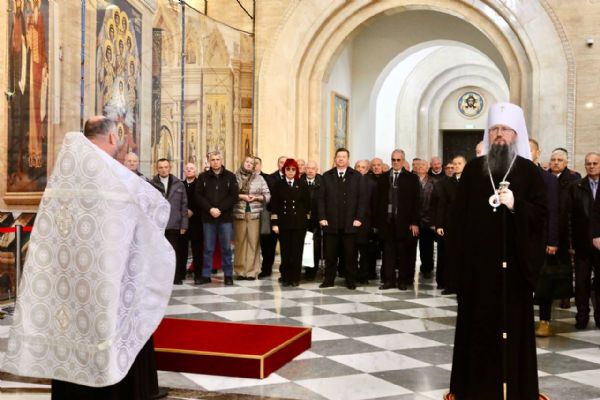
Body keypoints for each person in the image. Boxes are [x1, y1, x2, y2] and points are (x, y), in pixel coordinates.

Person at [1, 116, 174, 399]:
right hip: (105, 276)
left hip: (67, 279)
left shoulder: (66, 171)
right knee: (107, 326)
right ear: (112, 138)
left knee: (71, 330)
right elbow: (152, 204)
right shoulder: (112, 175)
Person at [446, 102, 547, 400]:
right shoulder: (473, 170)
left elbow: (542, 217)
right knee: (477, 330)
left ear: (516, 134)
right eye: (494, 129)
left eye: (505, 129)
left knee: (513, 330)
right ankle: (475, 389)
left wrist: (517, 206)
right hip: (478, 272)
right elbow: (458, 221)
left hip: (514, 271)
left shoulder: (529, 172)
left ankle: (516, 389)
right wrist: (458, 269)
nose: (499, 134)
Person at [318, 148, 366, 289]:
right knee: (330, 255)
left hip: (350, 223)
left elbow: (362, 199)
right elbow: (320, 199)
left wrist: (359, 218)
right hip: (330, 222)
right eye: (338, 156)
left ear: (348, 159)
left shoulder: (356, 176)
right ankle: (329, 280)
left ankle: (350, 280)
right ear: (335, 159)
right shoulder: (327, 176)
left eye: (344, 156)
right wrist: (322, 217)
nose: (341, 159)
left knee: (350, 255)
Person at [375, 149, 420, 290]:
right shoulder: (383, 178)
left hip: (404, 222)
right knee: (388, 253)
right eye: (393, 160)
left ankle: (402, 281)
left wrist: (414, 222)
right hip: (387, 221)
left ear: (403, 161)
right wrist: (378, 222)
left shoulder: (411, 178)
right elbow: (377, 201)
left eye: (398, 160)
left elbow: (416, 202)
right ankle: (389, 280)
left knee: (403, 252)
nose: (395, 162)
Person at [529, 139, 560, 337]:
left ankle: (544, 320)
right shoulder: (510, 175)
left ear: (537, 153)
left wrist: (552, 240)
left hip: (540, 238)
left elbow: (553, 211)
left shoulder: (548, 179)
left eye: (530, 149)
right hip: (518, 238)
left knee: (544, 281)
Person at [195, 150, 239, 285]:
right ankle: (205, 275)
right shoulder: (203, 177)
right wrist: (210, 209)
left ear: (222, 160)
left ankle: (228, 275)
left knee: (226, 248)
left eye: (217, 159)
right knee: (208, 248)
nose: (215, 162)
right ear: (209, 161)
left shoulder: (230, 176)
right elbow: (198, 196)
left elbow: (234, 196)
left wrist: (220, 209)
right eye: (213, 160)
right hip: (208, 218)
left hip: (225, 218)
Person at [568, 152, 600, 329]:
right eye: (588, 163)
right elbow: (569, 217)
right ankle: (582, 316)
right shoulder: (576, 187)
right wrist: (571, 243)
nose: (591, 166)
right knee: (581, 282)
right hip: (581, 244)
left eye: (595, 163)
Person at [549, 147, 581, 309]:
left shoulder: (574, 178)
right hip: (548, 226)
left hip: (566, 226)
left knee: (565, 263)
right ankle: (547, 293)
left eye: (560, 160)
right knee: (548, 263)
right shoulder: (544, 176)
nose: (556, 163)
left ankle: (565, 295)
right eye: (553, 160)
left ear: (566, 162)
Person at [270, 159, 310, 286]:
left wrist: (306, 222)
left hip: (299, 224)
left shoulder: (302, 184)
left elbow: (307, 205)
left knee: (297, 252)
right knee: (285, 252)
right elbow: (274, 205)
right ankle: (286, 277)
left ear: (296, 171)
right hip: (284, 223)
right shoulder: (278, 184)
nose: (291, 172)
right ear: (284, 170)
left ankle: (295, 278)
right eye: (288, 169)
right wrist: (275, 223)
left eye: (293, 169)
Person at [151, 159, 188, 285]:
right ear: (157, 169)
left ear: (170, 168)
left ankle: (175, 277)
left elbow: (184, 205)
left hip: (174, 223)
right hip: (158, 225)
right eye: (160, 167)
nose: (163, 169)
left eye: (166, 167)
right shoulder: (152, 184)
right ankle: (160, 277)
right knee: (159, 252)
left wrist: (184, 224)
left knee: (174, 251)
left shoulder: (179, 184)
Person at [233, 156, 270, 280]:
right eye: (247, 162)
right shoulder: (235, 177)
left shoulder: (259, 178)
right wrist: (241, 197)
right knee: (240, 242)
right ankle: (240, 271)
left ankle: (251, 271)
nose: (249, 164)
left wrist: (257, 198)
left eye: (252, 163)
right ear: (243, 163)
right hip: (239, 213)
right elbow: (230, 194)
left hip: (254, 214)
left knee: (253, 242)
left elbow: (267, 195)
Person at [435, 155, 466, 294]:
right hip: (450, 224)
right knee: (450, 256)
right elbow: (441, 205)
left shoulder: (471, 182)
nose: (456, 166)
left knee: (465, 256)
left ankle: (464, 285)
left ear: (465, 165)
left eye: (459, 163)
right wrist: (439, 225)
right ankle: (450, 285)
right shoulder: (446, 183)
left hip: (466, 224)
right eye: (454, 164)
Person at [258, 155, 287, 279]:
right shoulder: (269, 178)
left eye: (285, 163)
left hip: (287, 217)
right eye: (281, 162)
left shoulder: (294, 179)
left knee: (286, 246)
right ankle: (266, 269)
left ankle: (285, 271)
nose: (283, 165)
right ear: (278, 164)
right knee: (268, 246)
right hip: (271, 215)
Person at [181, 162, 204, 285]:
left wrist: (193, 211)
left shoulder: (200, 184)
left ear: (195, 171)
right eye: (187, 169)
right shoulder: (181, 185)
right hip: (183, 220)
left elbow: (203, 200)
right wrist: (184, 211)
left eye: (191, 168)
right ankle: (181, 273)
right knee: (182, 248)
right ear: (184, 171)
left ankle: (198, 275)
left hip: (197, 221)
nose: (189, 170)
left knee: (197, 249)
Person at [300, 160, 323, 281]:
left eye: (313, 168)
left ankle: (311, 271)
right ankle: (301, 269)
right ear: (305, 169)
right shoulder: (299, 181)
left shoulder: (322, 182)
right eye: (308, 168)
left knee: (314, 246)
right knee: (301, 245)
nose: (310, 171)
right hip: (301, 220)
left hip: (316, 220)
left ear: (317, 170)